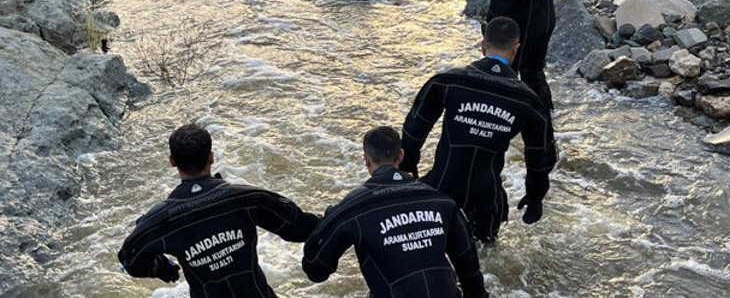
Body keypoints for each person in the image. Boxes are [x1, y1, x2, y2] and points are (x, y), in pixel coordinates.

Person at [400, 17, 557, 243]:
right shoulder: (529, 101)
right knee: (486, 260)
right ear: (516, 49)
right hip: (486, 195)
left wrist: (407, 170)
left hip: (442, 186)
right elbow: (539, 157)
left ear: (483, 46)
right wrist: (535, 197)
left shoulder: (447, 81)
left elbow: (414, 129)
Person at [118, 124, 319, 298]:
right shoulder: (247, 198)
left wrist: (161, 268)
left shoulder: (161, 220)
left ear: (172, 161)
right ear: (211, 157)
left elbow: (131, 259)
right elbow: (299, 228)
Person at [302, 126, 489, 298]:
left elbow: (315, 269)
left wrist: (327, 222)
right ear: (400, 156)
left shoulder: (353, 208)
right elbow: (470, 271)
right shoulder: (441, 201)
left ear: (366, 159)